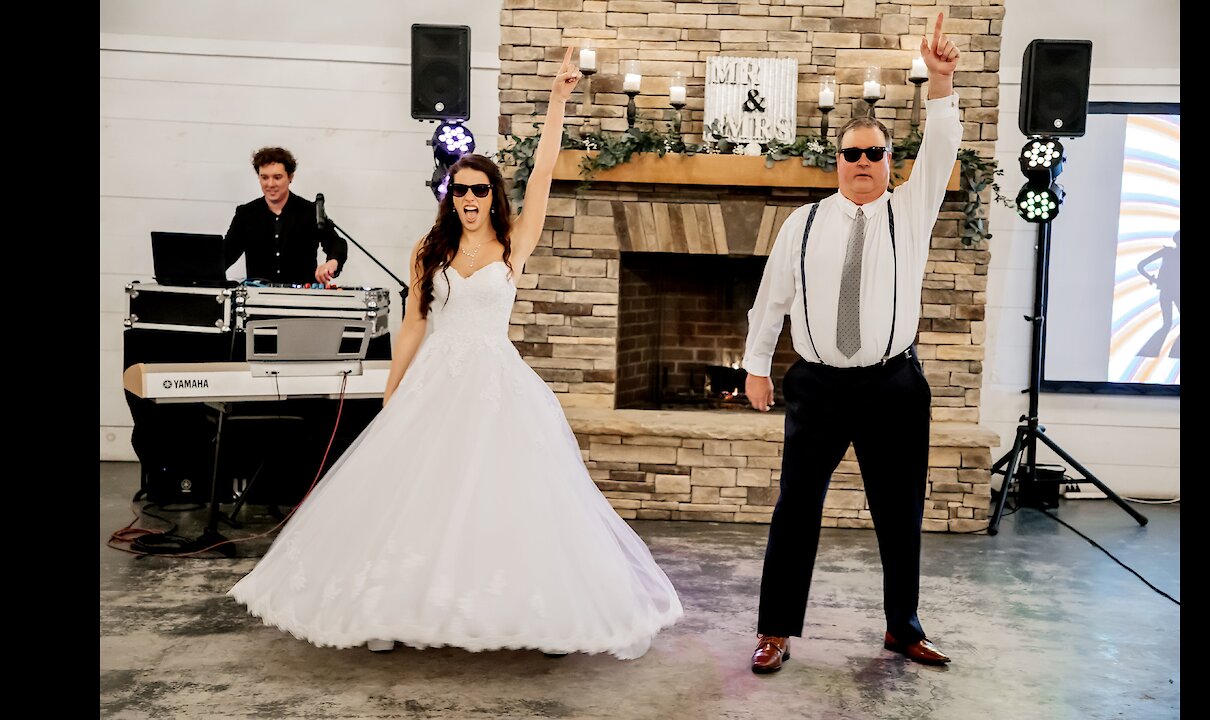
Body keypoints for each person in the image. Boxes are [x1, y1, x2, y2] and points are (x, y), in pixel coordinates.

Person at [229, 47, 683, 660]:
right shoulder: (428, 248)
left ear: (493, 196)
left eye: (479, 190)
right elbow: (414, 323)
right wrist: (392, 391)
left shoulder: (513, 244)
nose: (469, 198)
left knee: (513, 496)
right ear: (451, 197)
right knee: (413, 494)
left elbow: (545, 173)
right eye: (460, 190)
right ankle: (386, 608)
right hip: (436, 382)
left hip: (498, 383)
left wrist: (557, 101)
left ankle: (540, 616)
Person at [743, 13, 962, 673]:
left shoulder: (909, 210)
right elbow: (771, 299)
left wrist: (943, 83)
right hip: (817, 385)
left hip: (893, 385)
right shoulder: (802, 224)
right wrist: (756, 365)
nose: (863, 163)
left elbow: (943, 147)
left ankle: (903, 627)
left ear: (891, 163)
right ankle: (775, 630)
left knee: (900, 514)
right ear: (837, 161)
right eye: (852, 154)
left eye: (875, 154)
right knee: (796, 509)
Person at [223, 146, 348, 285]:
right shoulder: (246, 214)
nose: (270, 184)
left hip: (302, 298)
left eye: (277, 177)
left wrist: (332, 262)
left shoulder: (309, 211)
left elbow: (336, 243)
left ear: (290, 177)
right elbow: (226, 254)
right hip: (259, 299)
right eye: (264, 177)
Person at [1136, 230, 1180, 359]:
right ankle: (1168, 353)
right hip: (1170, 292)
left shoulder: (1167, 252)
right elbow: (1141, 265)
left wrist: (1153, 279)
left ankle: (1171, 353)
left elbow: (1141, 266)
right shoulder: (1167, 252)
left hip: (1168, 291)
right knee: (1166, 324)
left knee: (1166, 324)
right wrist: (1153, 279)